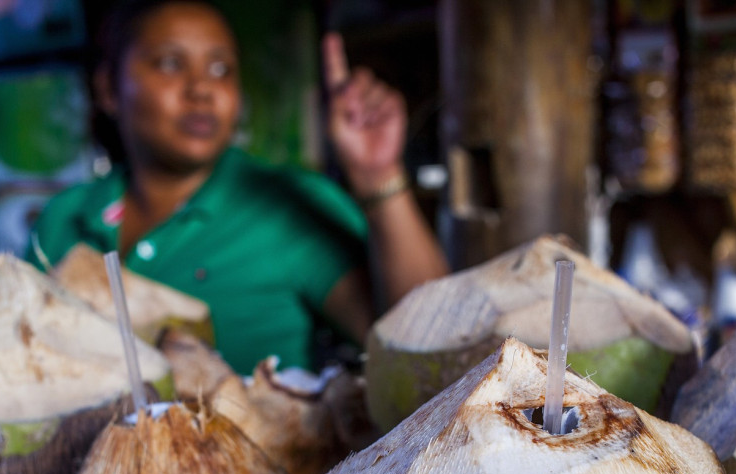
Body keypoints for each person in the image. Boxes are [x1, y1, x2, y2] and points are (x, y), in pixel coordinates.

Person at [28, 0, 449, 373]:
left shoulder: (286, 204)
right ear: (107, 89)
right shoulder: (63, 218)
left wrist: (378, 176)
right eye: (170, 63)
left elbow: (429, 344)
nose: (201, 89)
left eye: (220, 69)